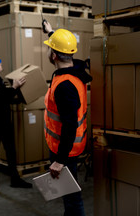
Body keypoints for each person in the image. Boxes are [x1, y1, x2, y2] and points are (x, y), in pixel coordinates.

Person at [43, 21, 92, 216]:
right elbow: (64, 48)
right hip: (68, 147)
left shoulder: (65, 86)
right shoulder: (76, 71)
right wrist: (51, 32)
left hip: (65, 152)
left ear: (54, 55)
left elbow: (70, 124)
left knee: (72, 200)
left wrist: (60, 161)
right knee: (68, 196)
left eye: (50, 49)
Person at [0, 57, 32, 195]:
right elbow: (0, 99)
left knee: (11, 152)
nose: (1, 65)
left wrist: (20, 98)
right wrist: (14, 87)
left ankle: (15, 180)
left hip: (6, 123)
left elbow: (5, 100)